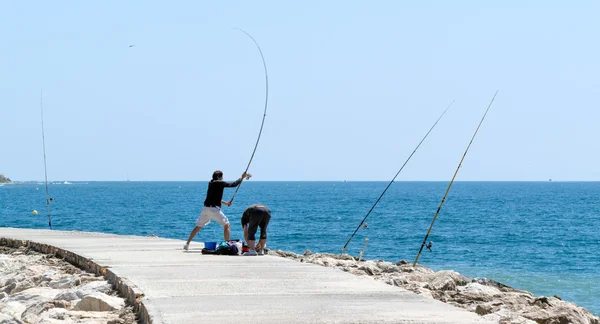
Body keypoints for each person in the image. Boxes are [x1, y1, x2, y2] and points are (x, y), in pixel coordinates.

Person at [183, 170, 247, 251]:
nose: (223, 178)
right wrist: (242, 177)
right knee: (226, 225)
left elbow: (214, 197)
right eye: (222, 177)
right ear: (219, 177)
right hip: (214, 210)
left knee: (198, 226)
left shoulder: (211, 183)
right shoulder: (220, 183)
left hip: (206, 209)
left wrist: (226, 203)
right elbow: (234, 184)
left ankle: (187, 244)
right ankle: (227, 245)